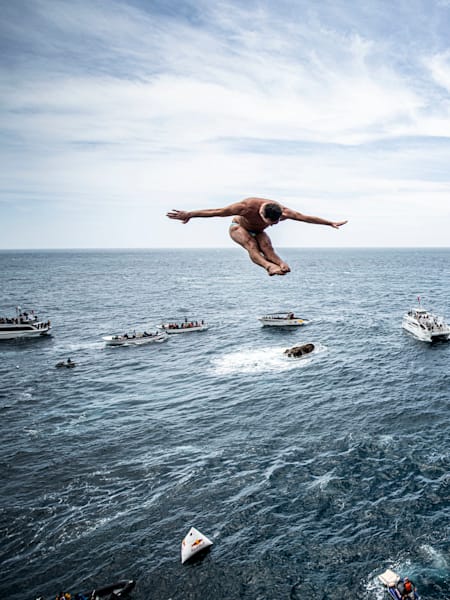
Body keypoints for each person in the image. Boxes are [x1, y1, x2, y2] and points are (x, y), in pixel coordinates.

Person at [167, 197, 347, 276]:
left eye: (274, 223)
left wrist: (329, 223)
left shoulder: (284, 211)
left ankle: (280, 265)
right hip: (238, 227)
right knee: (251, 245)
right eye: (268, 221)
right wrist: (190, 214)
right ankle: (269, 267)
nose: (271, 224)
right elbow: (217, 211)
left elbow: (306, 217)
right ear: (261, 212)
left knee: (268, 247)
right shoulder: (246, 207)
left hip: (258, 232)